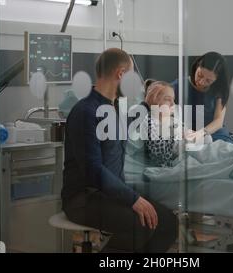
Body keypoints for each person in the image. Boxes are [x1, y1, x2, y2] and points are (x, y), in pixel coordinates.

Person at [62, 48, 178, 253]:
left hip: (109, 196)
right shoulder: (85, 112)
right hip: (83, 200)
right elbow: (94, 171)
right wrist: (134, 199)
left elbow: (126, 126)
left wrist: (147, 105)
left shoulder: (112, 108)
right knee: (142, 224)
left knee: (168, 224)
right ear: (121, 74)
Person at [172, 52, 233, 144]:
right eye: (200, 75)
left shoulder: (219, 90)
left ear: (216, 80)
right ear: (197, 67)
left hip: (212, 133)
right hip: (187, 133)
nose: (201, 82)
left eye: (208, 81)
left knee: (221, 147)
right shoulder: (179, 85)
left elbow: (218, 121)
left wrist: (201, 133)